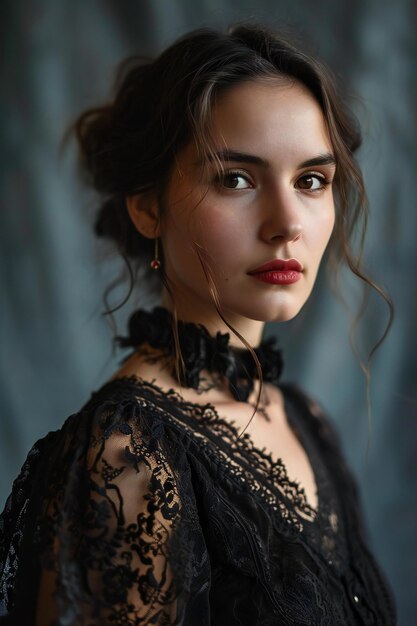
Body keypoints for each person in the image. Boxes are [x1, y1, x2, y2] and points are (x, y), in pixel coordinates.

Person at [0, 23, 396, 626]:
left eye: (311, 180)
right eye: (235, 178)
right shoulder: (129, 458)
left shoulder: (304, 420)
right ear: (148, 205)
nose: (287, 222)